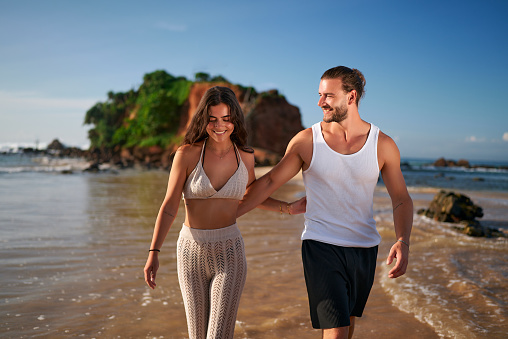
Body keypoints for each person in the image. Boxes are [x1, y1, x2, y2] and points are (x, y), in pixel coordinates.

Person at [237, 66, 413, 339]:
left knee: (348, 323)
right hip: (320, 244)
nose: (320, 102)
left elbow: (400, 198)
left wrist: (403, 240)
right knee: (337, 330)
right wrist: (229, 214)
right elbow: (270, 182)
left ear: (351, 97)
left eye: (328, 96)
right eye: (319, 95)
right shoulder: (307, 140)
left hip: (364, 248)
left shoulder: (383, 145)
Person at [143, 86, 305, 339]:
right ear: (203, 120)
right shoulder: (187, 154)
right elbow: (169, 206)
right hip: (190, 253)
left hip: (229, 253)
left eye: (226, 119)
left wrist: (288, 207)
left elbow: (253, 195)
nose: (220, 126)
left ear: (235, 120)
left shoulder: (245, 157)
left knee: (218, 336)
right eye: (213, 119)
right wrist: (154, 252)